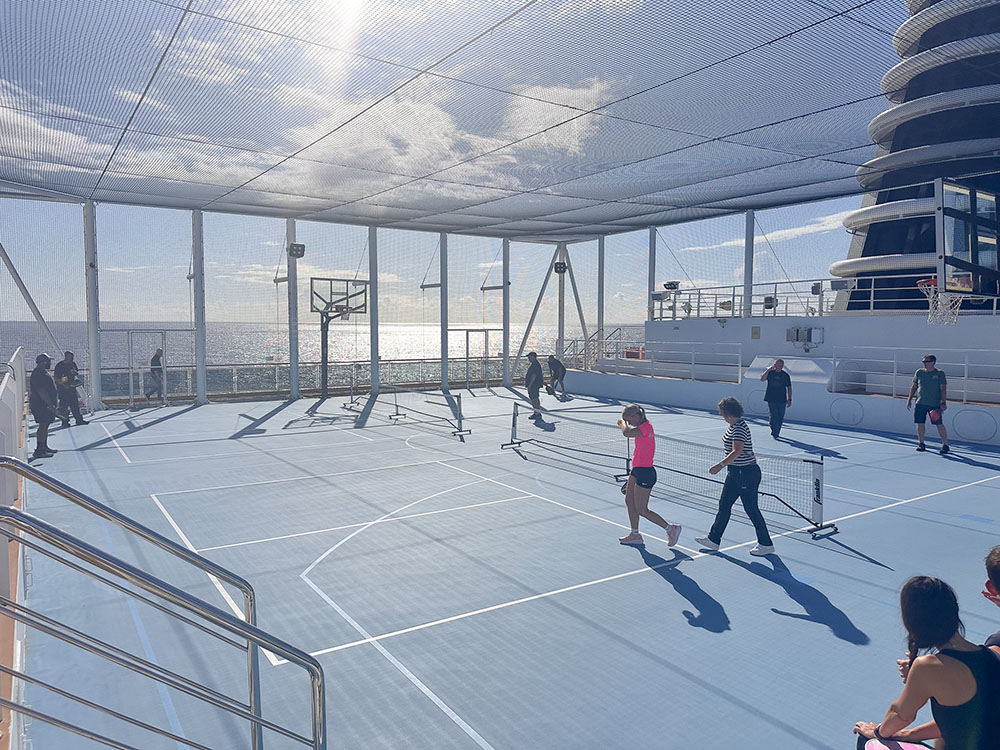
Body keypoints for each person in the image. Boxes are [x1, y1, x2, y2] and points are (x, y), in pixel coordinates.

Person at [853, 576, 1000, 748]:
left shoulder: (927, 667)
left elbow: (901, 715)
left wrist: (876, 732)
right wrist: (910, 735)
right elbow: (969, 718)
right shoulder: (993, 653)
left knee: (867, 742)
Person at [694, 397, 774, 556]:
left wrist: (720, 465)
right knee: (724, 506)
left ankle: (766, 544)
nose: (722, 416)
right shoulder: (735, 426)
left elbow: (737, 451)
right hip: (736, 473)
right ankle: (713, 539)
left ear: (729, 414)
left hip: (745, 473)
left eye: (723, 413)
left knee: (751, 509)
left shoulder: (738, 428)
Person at [615, 404, 681, 547]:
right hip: (637, 470)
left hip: (646, 473)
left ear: (635, 416)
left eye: (630, 420)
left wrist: (622, 422)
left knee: (642, 509)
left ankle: (671, 529)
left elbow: (626, 433)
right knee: (629, 501)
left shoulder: (645, 427)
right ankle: (635, 534)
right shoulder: (642, 427)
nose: (630, 423)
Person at [906, 354, 950, 455]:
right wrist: (909, 399)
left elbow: (943, 388)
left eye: (926, 361)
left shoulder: (939, 374)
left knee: (938, 424)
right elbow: (914, 386)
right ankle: (921, 443)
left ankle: (945, 444)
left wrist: (943, 402)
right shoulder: (919, 372)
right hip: (920, 403)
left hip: (934, 404)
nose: (924, 364)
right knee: (920, 423)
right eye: (923, 362)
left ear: (933, 362)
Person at [28, 353, 59, 459]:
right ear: (43, 362)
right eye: (48, 361)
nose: (50, 363)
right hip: (41, 405)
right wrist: (49, 403)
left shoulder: (42, 372)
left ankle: (44, 446)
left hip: (44, 404)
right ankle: (39, 450)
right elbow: (41, 391)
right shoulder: (39, 374)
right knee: (43, 425)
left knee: (46, 425)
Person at [53, 351, 88, 428]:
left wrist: (74, 374)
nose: (72, 359)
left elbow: (75, 373)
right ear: (66, 357)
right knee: (63, 406)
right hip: (63, 389)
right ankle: (65, 422)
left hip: (71, 387)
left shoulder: (73, 364)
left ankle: (79, 420)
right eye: (71, 357)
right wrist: (63, 384)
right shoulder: (60, 365)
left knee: (75, 404)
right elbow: (56, 377)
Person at [760, 359, 792, 439]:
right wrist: (768, 370)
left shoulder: (785, 375)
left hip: (782, 398)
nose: (780, 367)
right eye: (778, 365)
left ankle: (777, 431)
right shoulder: (770, 373)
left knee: (780, 416)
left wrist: (789, 399)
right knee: (774, 415)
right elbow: (762, 379)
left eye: (781, 366)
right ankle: (774, 432)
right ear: (775, 365)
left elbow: (789, 387)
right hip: (771, 398)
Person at [524, 351, 543, 419]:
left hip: (534, 385)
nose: (528, 358)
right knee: (534, 397)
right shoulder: (535, 364)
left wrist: (530, 385)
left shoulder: (535, 365)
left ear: (533, 357)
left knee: (534, 398)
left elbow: (533, 375)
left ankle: (537, 413)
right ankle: (536, 412)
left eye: (529, 357)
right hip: (535, 384)